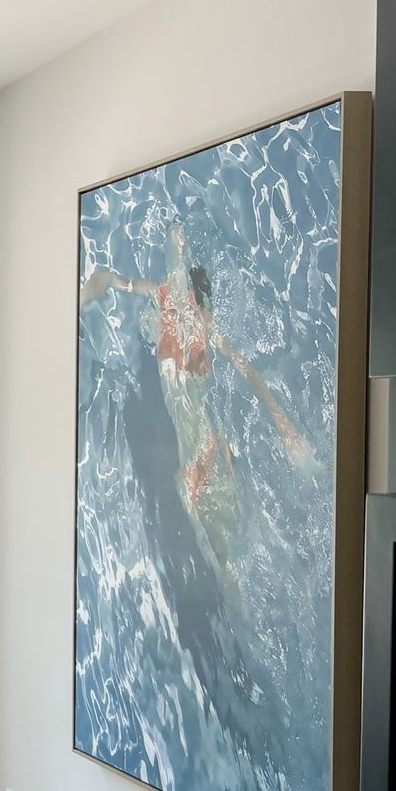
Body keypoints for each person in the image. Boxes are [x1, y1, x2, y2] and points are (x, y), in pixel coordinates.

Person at [81, 222, 312, 569]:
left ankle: (234, 564)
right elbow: (109, 278)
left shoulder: (201, 326)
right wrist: (83, 297)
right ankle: (229, 564)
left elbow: (247, 371)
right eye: (200, 311)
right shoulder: (167, 299)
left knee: (201, 494)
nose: (203, 318)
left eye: (203, 314)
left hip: (196, 417)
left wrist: (285, 427)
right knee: (201, 495)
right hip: (193, 422)